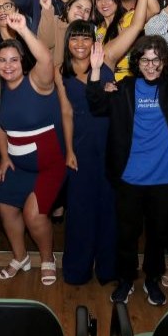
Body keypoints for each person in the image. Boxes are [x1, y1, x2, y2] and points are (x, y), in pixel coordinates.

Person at [86, 32, 168, 306]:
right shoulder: (124, 88)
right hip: (129, 177)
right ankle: (126, 280)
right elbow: (97, 104)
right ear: (137, 62)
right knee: (127, 234)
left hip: (166, 178)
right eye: (145, 60)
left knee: (158, 236)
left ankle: (151, 280)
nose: (150, 65)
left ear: (165, 62)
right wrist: (97, 70)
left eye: (156, 60)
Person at [0, 10, 64, 285]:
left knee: (33, 216)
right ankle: (21, 256)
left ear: (23, 62)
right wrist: (3, 156)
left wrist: (23, 29)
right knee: (5, 207)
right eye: (2, 60)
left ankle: (47, 258)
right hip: (17, 165)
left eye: (14, 59)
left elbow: (46, 58)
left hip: (49, 164)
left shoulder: (38, 81)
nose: (8, 65)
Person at [55, 20, 115, 285]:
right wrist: (68, 150)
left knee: (108, 207)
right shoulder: (61, 72)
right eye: (74, 38)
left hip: (107, 141)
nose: (80, 44)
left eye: (85, 38)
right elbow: (66, 112)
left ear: (94, 42)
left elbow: (112, 109)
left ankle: (107, 269)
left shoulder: (106, 68)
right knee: (79, 209)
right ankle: (77, 270)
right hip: (80, 143)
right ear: (67, 42)